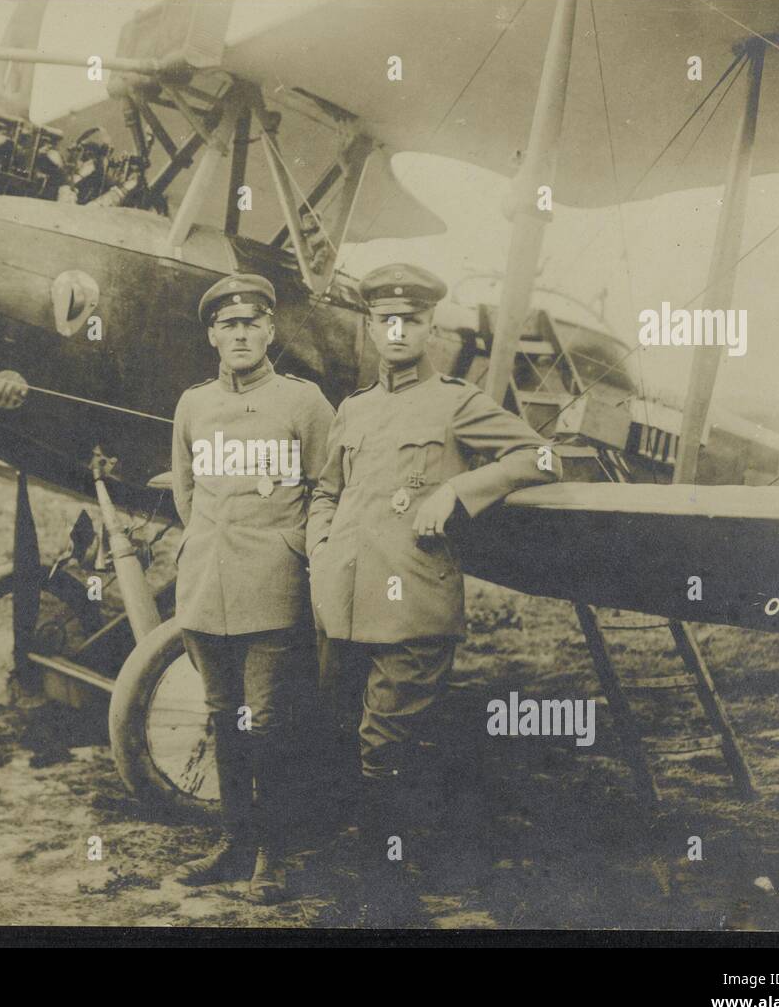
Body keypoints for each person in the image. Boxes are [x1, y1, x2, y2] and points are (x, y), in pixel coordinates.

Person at [306, 263, 561, 923]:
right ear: (370, 323)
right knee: (342, 737)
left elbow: (541, 456)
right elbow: (327, 490)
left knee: (384, 746)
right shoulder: (353, 408)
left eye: (411, 320)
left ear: (428, 327)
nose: (397, 330)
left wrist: (456, 490)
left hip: (414, 604)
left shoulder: (455, 400)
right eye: (385, 318)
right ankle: (364, 878)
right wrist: (320, 549)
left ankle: (388, 896)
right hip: (343, 602)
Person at [170, 273, 335, 904]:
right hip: (206, 587)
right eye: (227, 325)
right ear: (212, 335)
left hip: (273, 585)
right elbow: (188, 490)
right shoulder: (193, 404)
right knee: (223, 718)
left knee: (267, 723)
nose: (239, 335)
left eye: (251, 324)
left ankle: (275, 854)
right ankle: (236, 844)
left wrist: (295, 549)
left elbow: (327, 485)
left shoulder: (304, 402)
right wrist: (203, 547)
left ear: (270, 330)